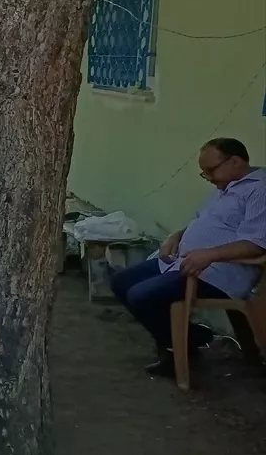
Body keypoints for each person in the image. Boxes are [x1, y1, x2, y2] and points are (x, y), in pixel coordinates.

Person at [110, 138, 265, 377]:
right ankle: (189, 339)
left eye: (211, 171)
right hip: (187, 261)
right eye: (205, 174)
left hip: (220, 272)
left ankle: (185, 344)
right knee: (120, 281)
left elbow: (255, 244)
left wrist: (209, 255)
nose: (210, 178)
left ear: (235, 161)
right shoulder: (225, 187)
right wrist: (177, 235)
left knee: (141, 296)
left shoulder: (259, 190)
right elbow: (202, 221)